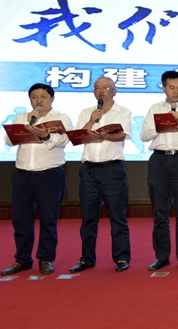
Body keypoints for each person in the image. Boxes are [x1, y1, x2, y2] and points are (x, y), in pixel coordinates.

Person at [1, 83, 72, 276]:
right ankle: (22, 259)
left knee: (48, 219)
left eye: (43, 96)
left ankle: (46, 259)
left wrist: (46, 135)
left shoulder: (61, 118)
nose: (38, 100)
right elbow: (8, 141)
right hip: (22, 175)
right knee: (21, 220)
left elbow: (63, 141)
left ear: (52, 99)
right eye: (34, 97)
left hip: (49, 175)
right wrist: (26, 126)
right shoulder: (22, 117)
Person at [69, 77, 132, 273]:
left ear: (114, 91)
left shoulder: (123, 112)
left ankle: (121, 258)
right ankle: (86, 259)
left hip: (112, 169)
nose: (100, 91)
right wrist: (91, 121)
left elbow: (121, 135)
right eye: (96, 88)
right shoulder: (87, 112)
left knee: (117, 217)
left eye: (105, 87)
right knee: (88, 218)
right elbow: (78, 138)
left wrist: (105, 135)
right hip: (88, 170)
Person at [140, 71, 178, 272]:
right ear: (163, 87)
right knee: (160, 212)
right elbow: (144, 135)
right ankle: (162, 256)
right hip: (159, 160)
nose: (176, 91)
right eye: (171, 87)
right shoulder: (155, 108)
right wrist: (164, 124)